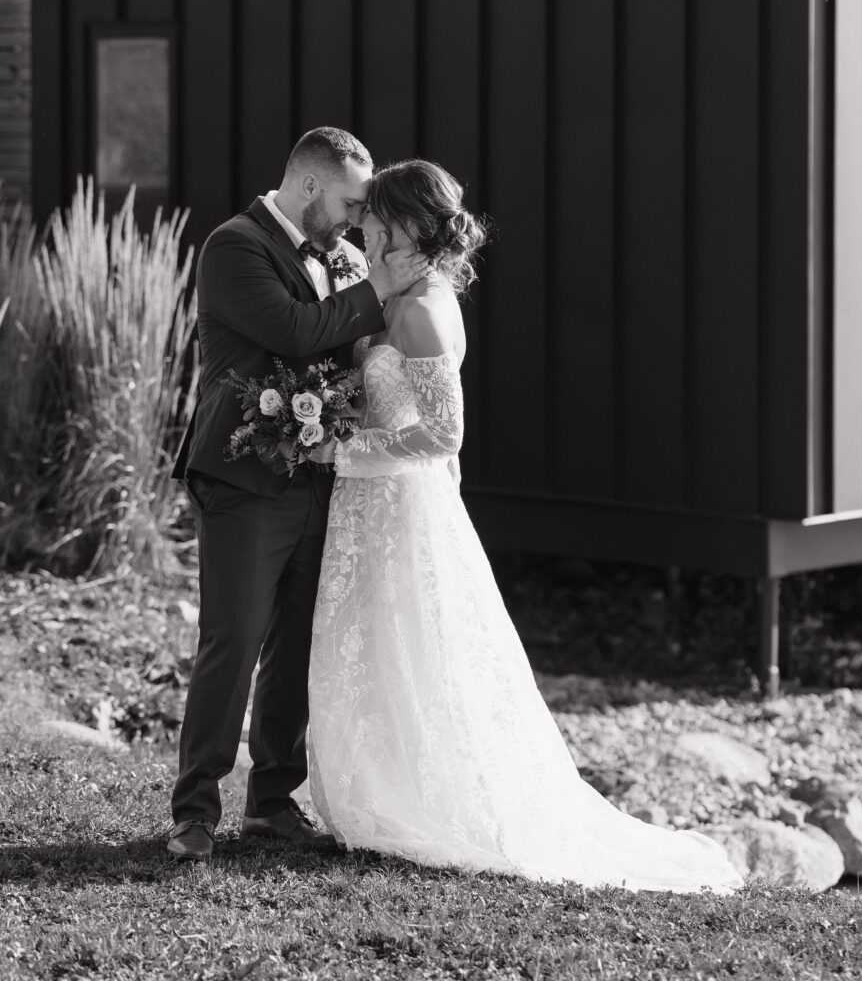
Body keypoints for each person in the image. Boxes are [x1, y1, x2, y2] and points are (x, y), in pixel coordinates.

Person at [307, 159, 743, 893]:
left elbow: (444, 436)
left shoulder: (420, 310)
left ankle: (426, 803)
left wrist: (340, 447)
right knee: (381, 645)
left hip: (396, 507)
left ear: (406, 225)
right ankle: (379, 790)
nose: (363, 223)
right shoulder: (399, 293)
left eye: (374, 213)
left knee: (417, 648)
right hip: (374, 503)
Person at [167, 127, 427, 864]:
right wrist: (378, 286)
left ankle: (274, 803)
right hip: (244, 477)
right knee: (234, 639)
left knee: (298, 643)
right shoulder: (234, 245)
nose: (354, 219)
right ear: (310, 185)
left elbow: (351, 352)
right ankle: (194, 812)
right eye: (348, 201)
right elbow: (291, 331)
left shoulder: (341, 255)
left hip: (324, 475)